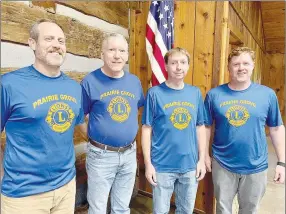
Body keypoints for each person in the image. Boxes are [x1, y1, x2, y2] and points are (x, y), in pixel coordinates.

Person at [1, 19, 84, 214]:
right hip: (24, 195)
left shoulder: (74, 87)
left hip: (66, 187)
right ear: (32, 43)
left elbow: (78, 125)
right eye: (49, 39)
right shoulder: (9, 85)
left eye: (61, 41)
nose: (56, 44)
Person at [204, 46, 285, 214]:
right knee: (222, 209)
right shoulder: (214, 95)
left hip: (255, 165)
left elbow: (276, 128)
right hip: (222, 163)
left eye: (246, 63)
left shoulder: (267, 95)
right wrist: (204, 155)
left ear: (253, 65)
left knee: (250, 209)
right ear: (229, 67)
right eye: (236, 64)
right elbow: (206, 126)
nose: (241, 68)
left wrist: (282, 162)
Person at [80, 33, 144, 214]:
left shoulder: (134, 81)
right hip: (101, 156)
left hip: (129, 154)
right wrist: (95, 139)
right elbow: (79, 117)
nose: (117, 55)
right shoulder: (90, 82)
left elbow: (136, 109)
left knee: (122, 208)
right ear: (102, 54)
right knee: (98, 208)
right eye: (112, 50)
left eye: (122, 50)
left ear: (126, 54)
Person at [141, 47, 206, 214]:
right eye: (174, 63)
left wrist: (201, 160)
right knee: (160, 211)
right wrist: (148, 165)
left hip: (190, 165)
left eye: (183, 62)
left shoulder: (195, 93)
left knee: (186, 210)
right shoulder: (154, 93)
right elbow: (147, 129)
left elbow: (200, 127)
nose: (179, 67)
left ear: (188, 66)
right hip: (162, 165)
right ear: (166, 66)